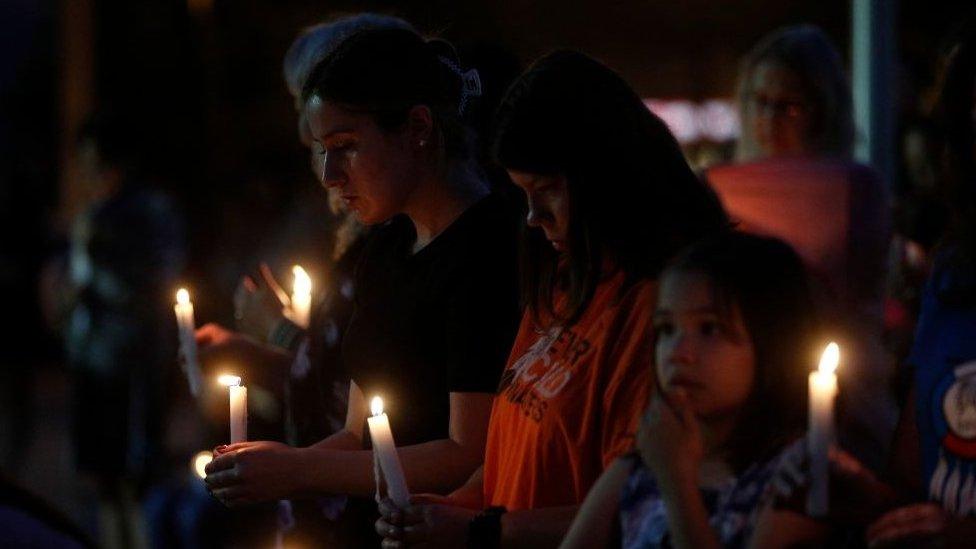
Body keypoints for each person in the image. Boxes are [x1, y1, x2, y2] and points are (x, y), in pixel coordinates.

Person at [375, 50, 728, 547]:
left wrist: (481, 530)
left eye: (548, 190)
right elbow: (514, 452)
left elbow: (634, 508)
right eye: (522, 193)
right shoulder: (565, 276)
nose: (532, 217)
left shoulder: (660, 310)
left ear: (605, 174)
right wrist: (454, 506)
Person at [204, 26, 522, 539]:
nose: (329, 174)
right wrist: (275, 466)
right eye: (321, 150)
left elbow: (468, 450)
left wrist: (296, 469)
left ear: (418, 127)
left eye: (345, 146)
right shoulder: (387, 245)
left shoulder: (487, 250)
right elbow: (357, 432)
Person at [561, 232, 827, 548]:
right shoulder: (639, 469)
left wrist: (676, 481)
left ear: (774, 343)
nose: (677, 352)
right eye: (667, 329)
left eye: (709, 329)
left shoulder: (794, 480)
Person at [706, 24, 894, 471]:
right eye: (760, 102)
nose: (769, 119)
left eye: (788, 106)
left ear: (823, 110)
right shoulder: (713, 188)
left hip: (830, 389)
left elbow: (865, 301)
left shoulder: (854, 187)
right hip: (735, 388)